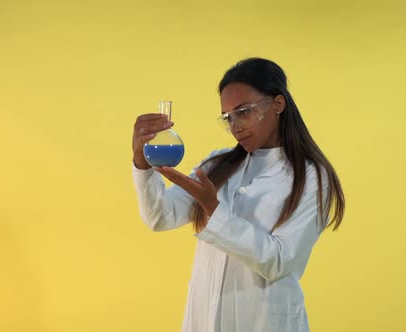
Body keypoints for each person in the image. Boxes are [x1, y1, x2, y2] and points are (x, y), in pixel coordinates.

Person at [131, 57, 345, 332]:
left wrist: (213, 208)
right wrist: (141, 161)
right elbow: (159, 217)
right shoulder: (217, 165)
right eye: (228, 117)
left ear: (278, 105)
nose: (236, 126)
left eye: (244, 112)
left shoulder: (311, 176)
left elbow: (278, 261)